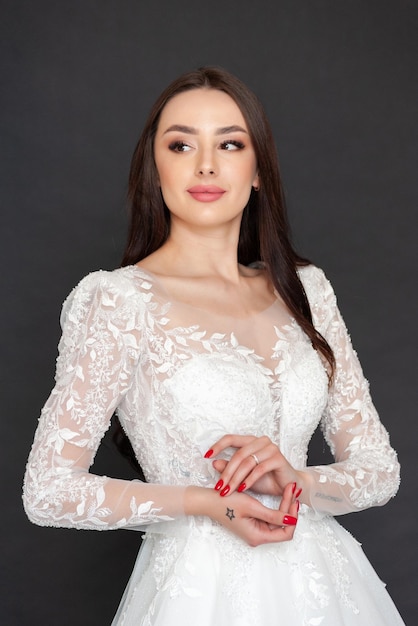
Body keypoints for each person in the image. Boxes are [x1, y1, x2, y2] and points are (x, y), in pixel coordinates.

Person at [23, 66, 405, 625]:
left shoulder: (308, 290)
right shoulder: (119, 301)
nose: (206, 164)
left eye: (230, 143)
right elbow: (49, 490)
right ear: (155, 168)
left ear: (257, 170)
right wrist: (206, 502)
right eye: (181, 144)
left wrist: (299, 482)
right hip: (200, 593)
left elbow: (379, 469)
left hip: (328, 587)